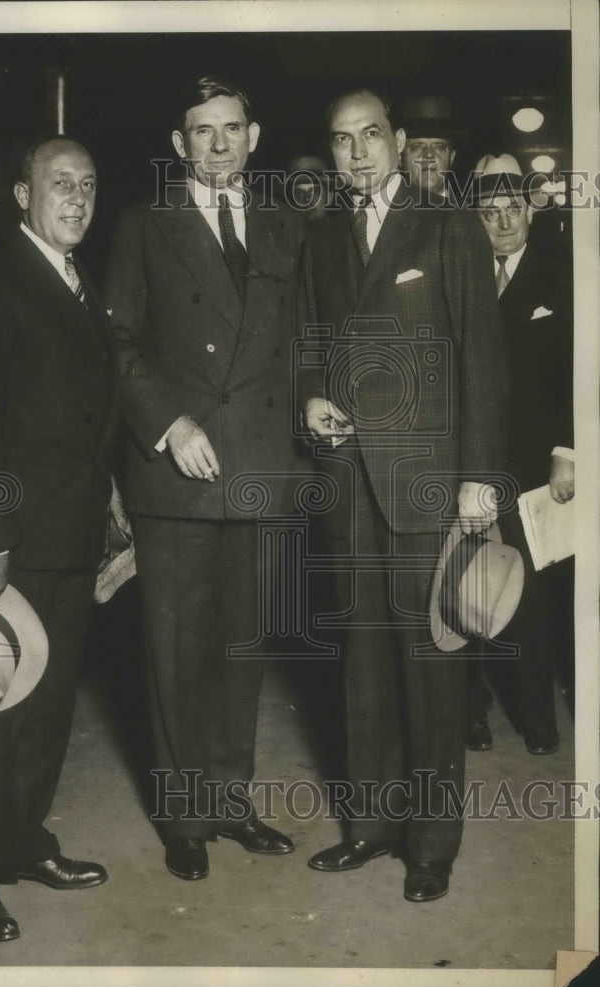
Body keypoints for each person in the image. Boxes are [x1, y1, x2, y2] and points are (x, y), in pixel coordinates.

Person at [299, 87, 507, 902]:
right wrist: (312, 398)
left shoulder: (447, 224)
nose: (355, 153)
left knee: (429, 666)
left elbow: (481, 358)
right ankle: (371, 827)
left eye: (369, 136)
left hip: (428, 485)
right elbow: (311, 345)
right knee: (364, 664)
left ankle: (431, 844)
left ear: (399, 141)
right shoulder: (322, 240)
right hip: (348, 480)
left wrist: (478, 479)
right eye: (340, 139)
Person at [104, 75, 305, 881]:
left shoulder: (289, 226)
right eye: (201, 131)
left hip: (259, 467)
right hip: (177, 474)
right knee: (178, 654)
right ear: (178, 144)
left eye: (231, 129)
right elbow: (114, 341)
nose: (217, 144)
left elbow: (306, 336)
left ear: (252, 138)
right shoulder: (141, 225)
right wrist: (166, 423)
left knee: (239, 649)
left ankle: (230, 801)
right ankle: (184, 816)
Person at [0, 137, 119, 941]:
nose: (75, 199)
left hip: (70, 530)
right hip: (11, 538)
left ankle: (21, 841)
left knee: (44, 708)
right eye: (58, 185)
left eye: (86, 185)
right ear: (22, 194)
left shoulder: (76, 278)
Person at [467, 153, 574, 755]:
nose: (502, 221)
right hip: (475, 461)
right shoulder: (463, 272)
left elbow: (578, 371)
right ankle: (471, 710)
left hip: (535, 466)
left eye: (512, 209)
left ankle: (538, 720)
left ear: (530, 210)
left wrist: (568, 452)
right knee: (466, 590)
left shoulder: (561, 274)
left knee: (528, 596)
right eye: (490, 212)